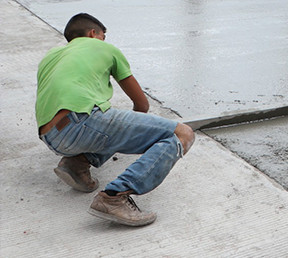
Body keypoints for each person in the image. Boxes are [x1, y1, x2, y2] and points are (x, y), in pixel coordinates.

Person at [36, 13, 195, 227]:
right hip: (82, 120)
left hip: (51, 136)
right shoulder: (104, 48)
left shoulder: (51, 56)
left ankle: (77, 163)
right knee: (182, 134)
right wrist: (141, 131)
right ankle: (114, 197)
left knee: (112, 126)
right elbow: (142, 105)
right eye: (103, 35)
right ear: (94, 34)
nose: (104, 40)